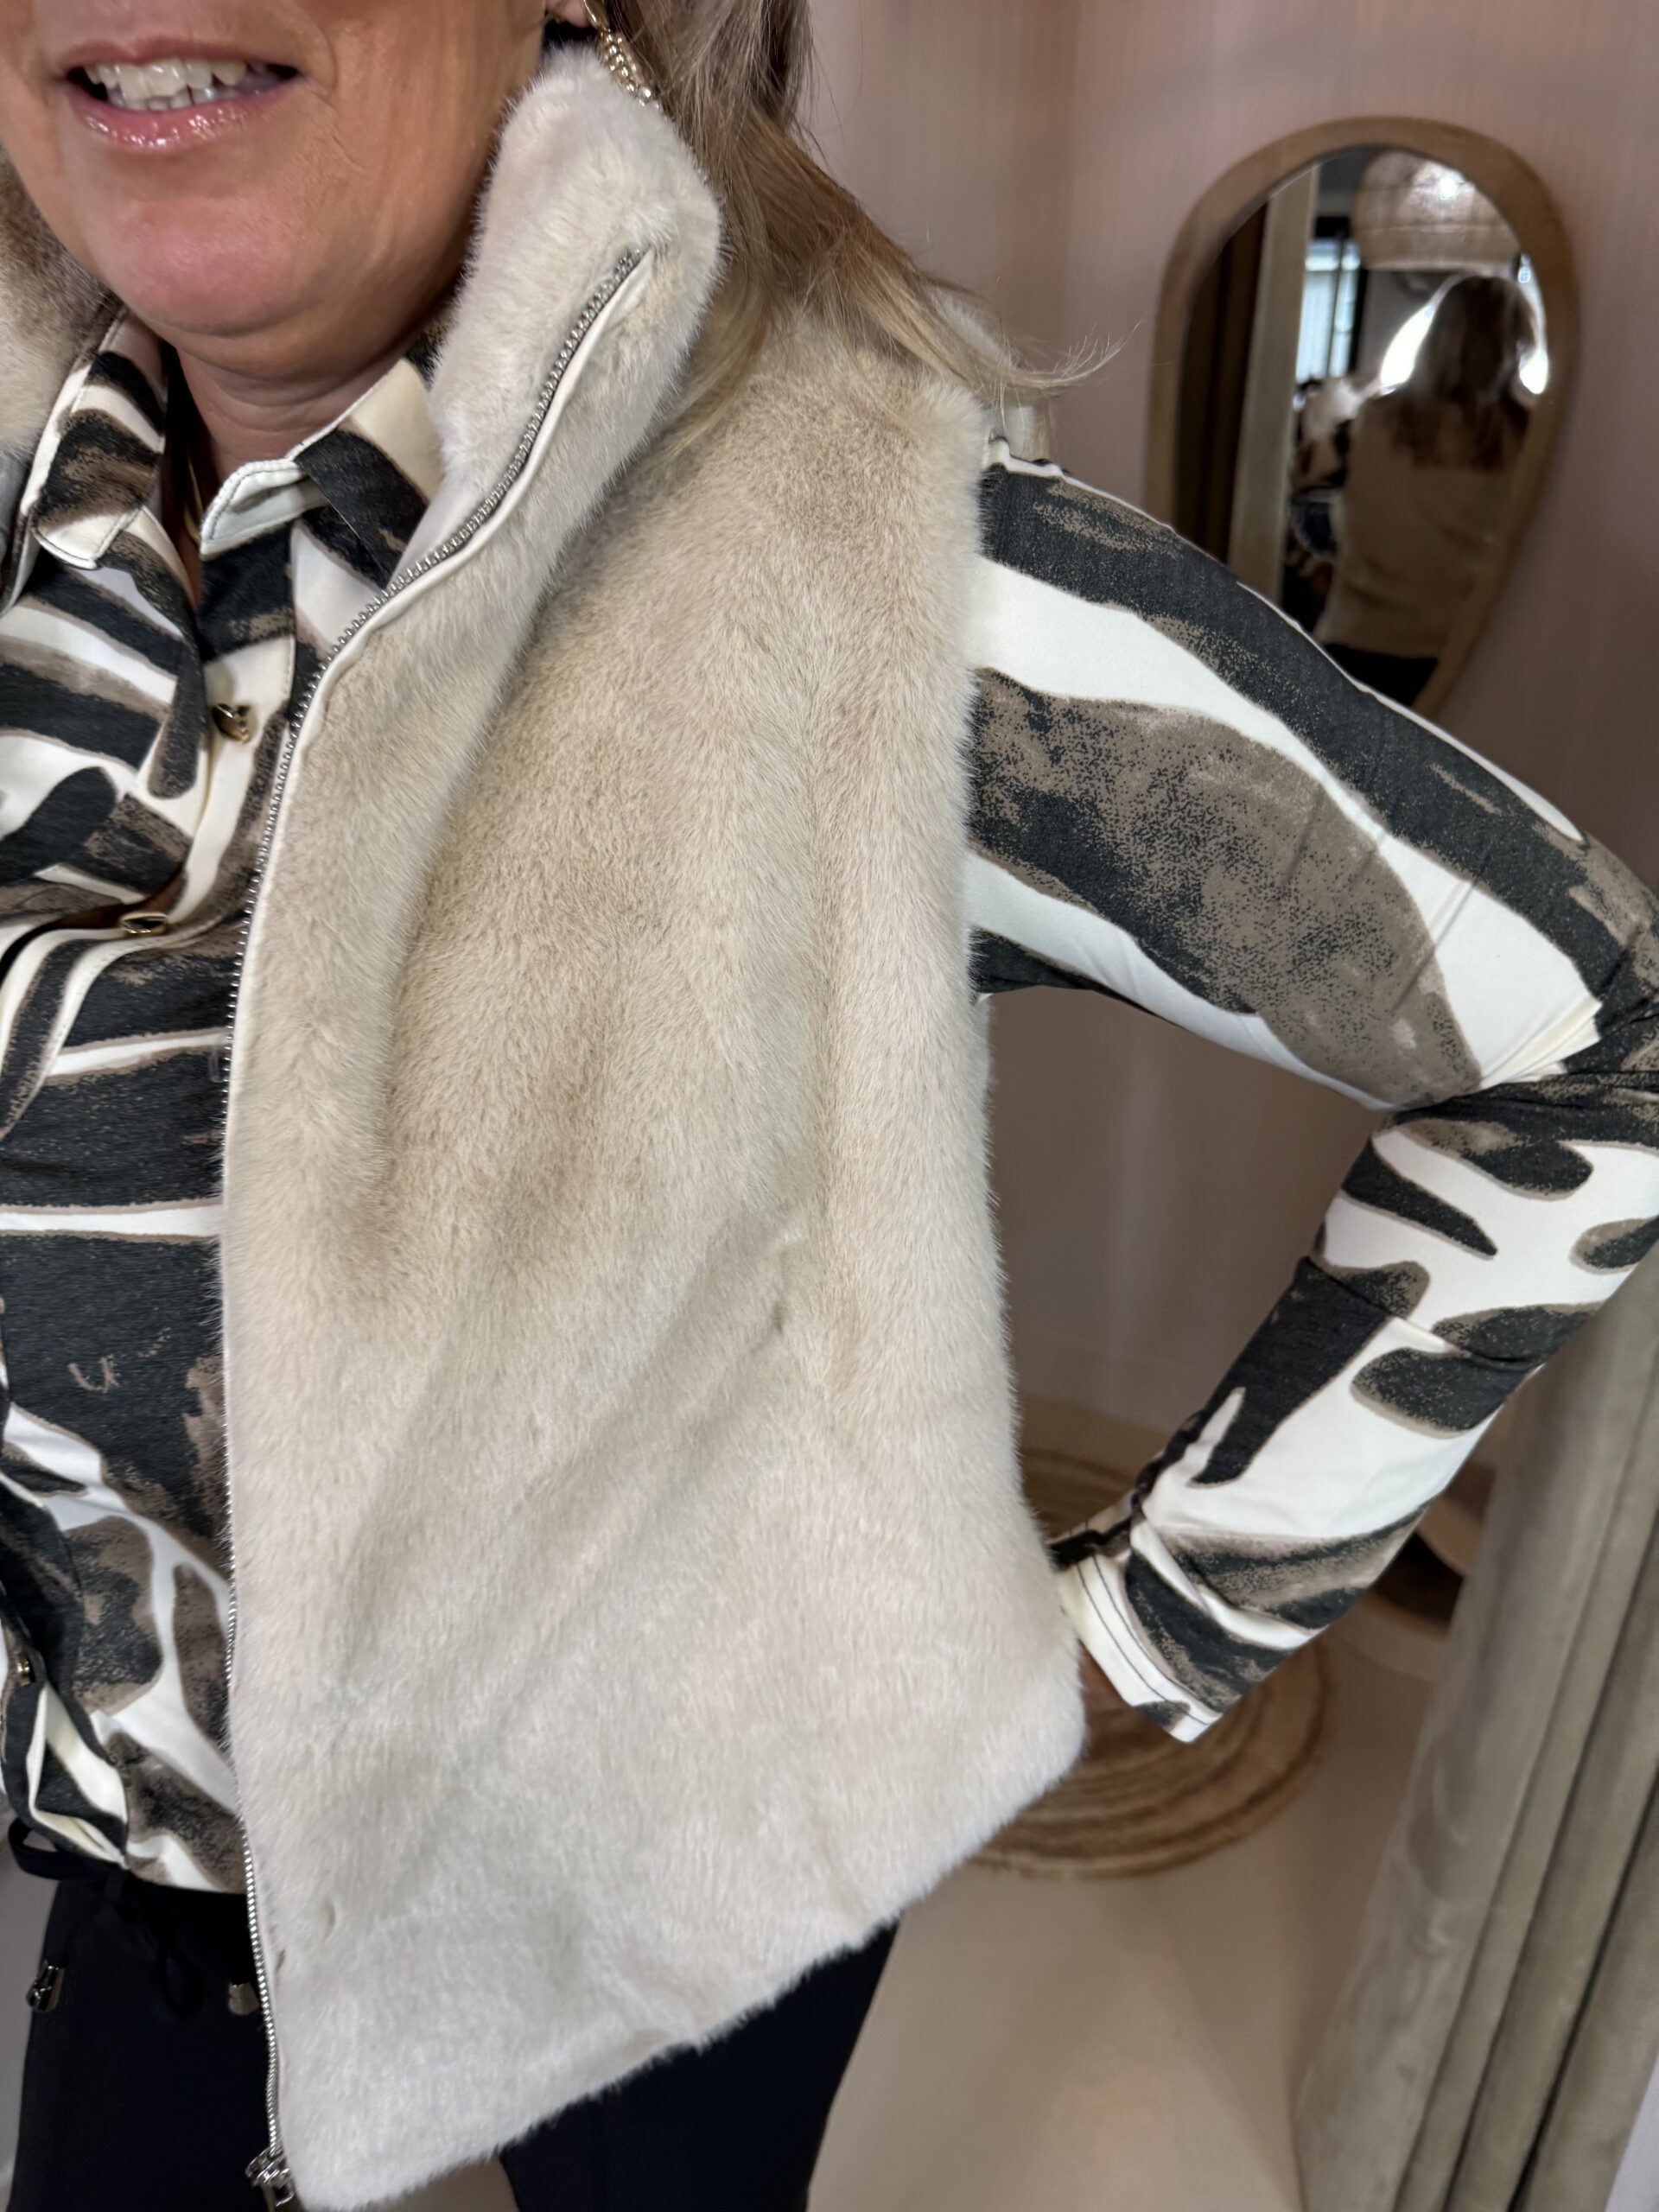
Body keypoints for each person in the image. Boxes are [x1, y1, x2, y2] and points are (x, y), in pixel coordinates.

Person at [0, 6, 1652, 2207]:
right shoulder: (38, 540)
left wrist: (1140, 1630)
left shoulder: (863, 564)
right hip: (154, 1875)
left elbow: (1598, 1038)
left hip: (678, 1887)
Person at [1316, 272, 1536, 704]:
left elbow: (1300, 479)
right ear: (1515, 346)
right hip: (1458, 651)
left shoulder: (1373, 419)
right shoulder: (1526, 438)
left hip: (1354, 639)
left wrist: (1314, 566)